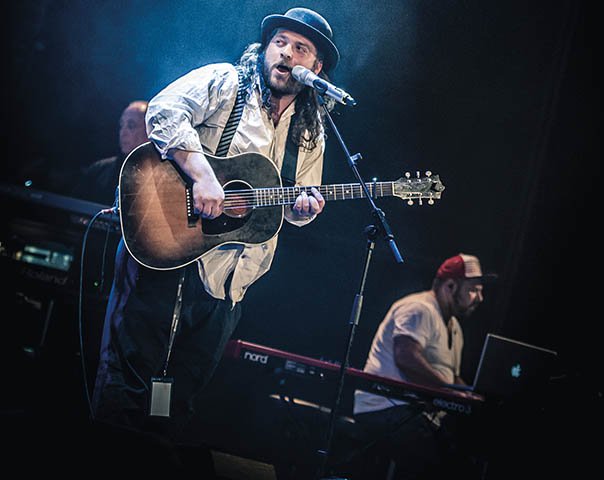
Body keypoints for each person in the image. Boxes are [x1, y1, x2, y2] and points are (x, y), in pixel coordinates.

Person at [91, 7, 340, 444]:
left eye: (300, 48)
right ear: (266, 49)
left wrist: (304, 210)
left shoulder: (312, 130)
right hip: (168, 250)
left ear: (315, 68)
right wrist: (204, 177)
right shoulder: (228, 83)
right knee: (128, 388)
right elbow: (165, 109)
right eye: (279, 42)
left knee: (176, 405)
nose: (285, 54)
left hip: (229, 285)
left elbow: (293, 203)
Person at [352, 253, 493, 479]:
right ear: (450, 286)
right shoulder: (419, 308)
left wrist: (473, 397)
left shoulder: (454, 327)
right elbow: (406, 356)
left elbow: (452, 378)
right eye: (474, 289)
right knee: (437, 466)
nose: (480, 298)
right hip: (385, 407)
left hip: (412, 413)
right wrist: (449, 393)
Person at [71, 100, 149, 206]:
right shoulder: (99, 170)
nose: (123, 132)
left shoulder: (163, 175)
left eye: (131, 126)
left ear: (149, 130)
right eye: (122, 125)